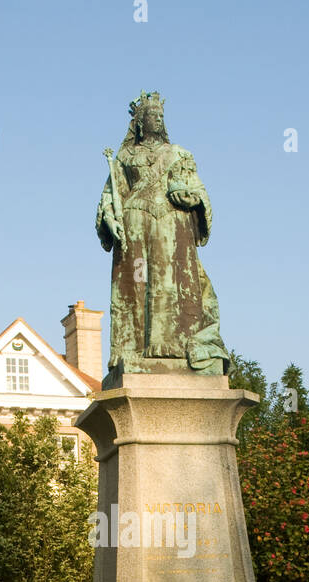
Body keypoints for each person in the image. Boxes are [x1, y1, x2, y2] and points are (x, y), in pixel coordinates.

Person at [96, 92, 230, 376]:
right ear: (140, 122)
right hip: (134, 225)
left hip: (172, 224)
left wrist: (192, 199)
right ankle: (133, 349)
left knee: (171, 282)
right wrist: (109, 218)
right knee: (136, 285)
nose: (157, 119)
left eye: (160, 115)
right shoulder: (124, 157)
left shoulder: (179, 154)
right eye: (152, 115)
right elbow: (111, 195)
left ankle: (175, 345)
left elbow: (198, 190)